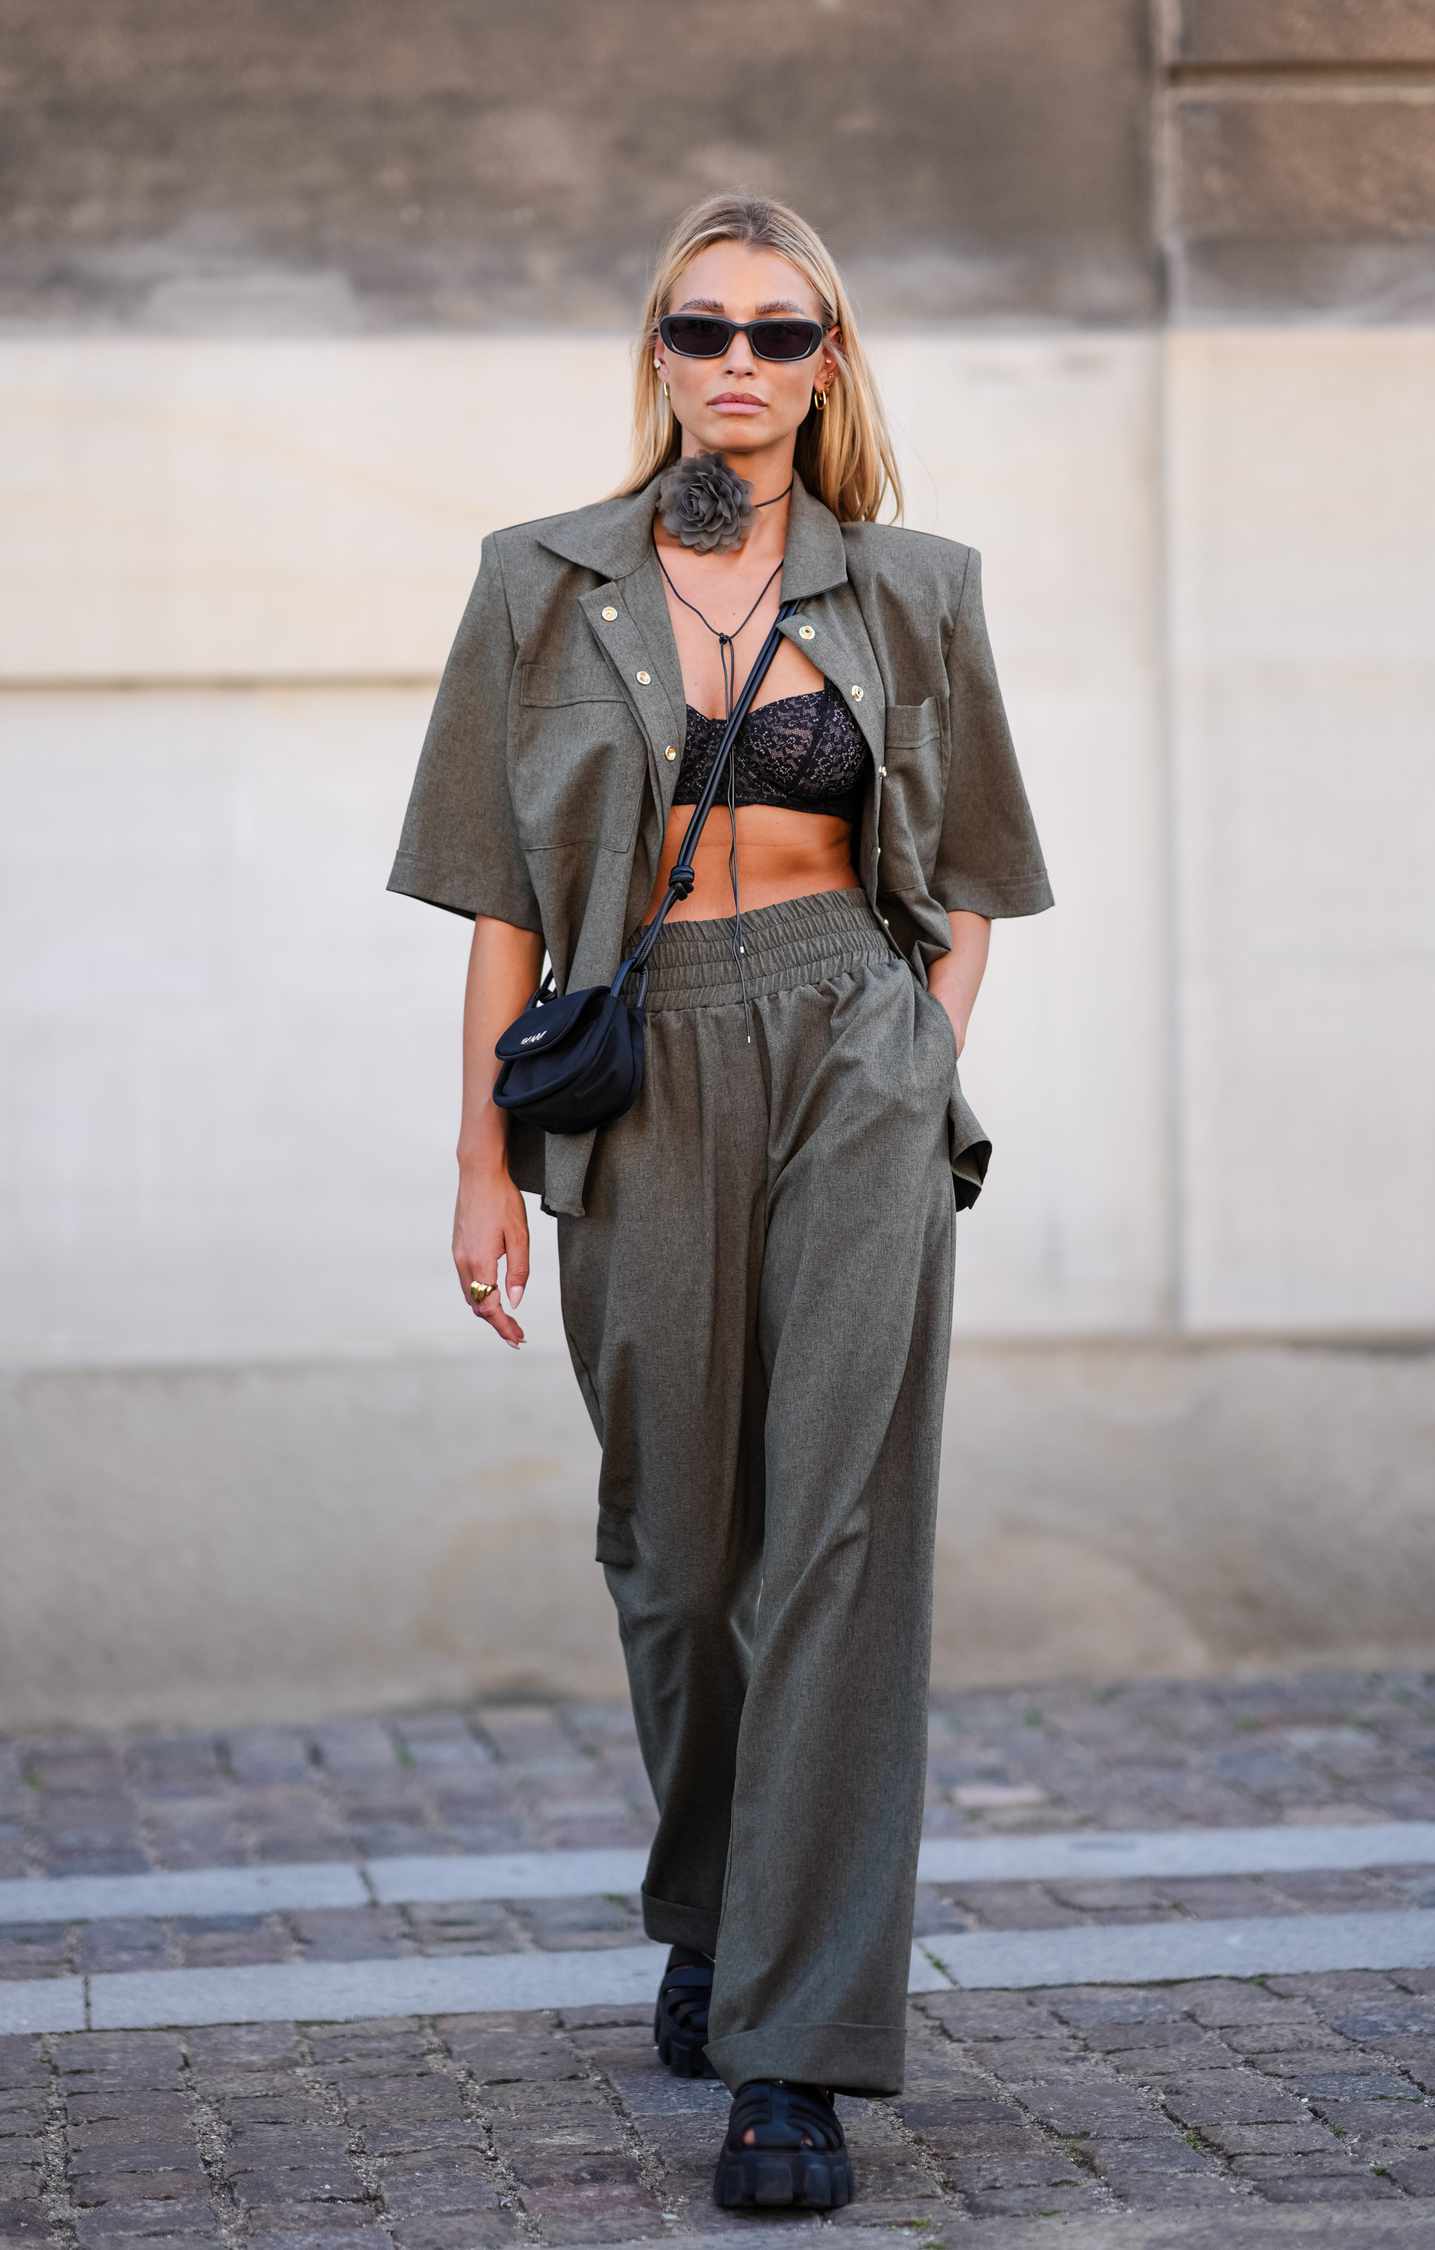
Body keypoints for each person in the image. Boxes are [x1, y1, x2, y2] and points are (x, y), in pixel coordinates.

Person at [386, 189, 1054, 2212]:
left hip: (852, 1054)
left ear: (827, 364)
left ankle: (795, 2054)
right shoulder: (539, 583)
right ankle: (710, 1896)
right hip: (640, 1065)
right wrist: (484, 1160)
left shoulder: (914, 589)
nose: (740, 366)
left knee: (833, 1546)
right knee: (676, 1551)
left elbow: (969, 886)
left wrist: (918, 1048)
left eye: (781, 334)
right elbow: (504, 898)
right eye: (705, 331)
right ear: (657, 356)